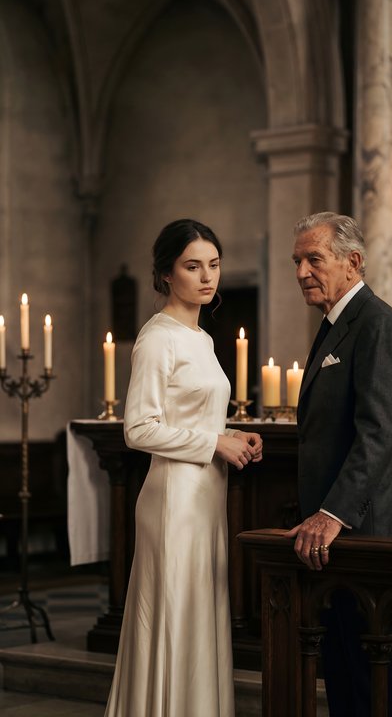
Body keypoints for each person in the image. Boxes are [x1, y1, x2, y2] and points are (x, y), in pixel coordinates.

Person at [104, 218, 263, 717]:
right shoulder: (158, 338)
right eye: (193, 266)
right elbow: (138, 429)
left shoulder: (202, 338)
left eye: (214, 265)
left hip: (205, 498)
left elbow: (193, 417)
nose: (207, 276)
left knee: (199, 612)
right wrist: (215, 443)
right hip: (173, 500)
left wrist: (231, 435)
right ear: (166, 273)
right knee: (174, 613)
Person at [285, 212, 392, 717]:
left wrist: (332, 513)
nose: (302, 272)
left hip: (366, 527)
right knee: (343, 665)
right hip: (334, 532)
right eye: (297, 261)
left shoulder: (378, 323)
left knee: (376, 665)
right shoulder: (334, 325)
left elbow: (379, 433)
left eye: (313, 259)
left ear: (353, 261)